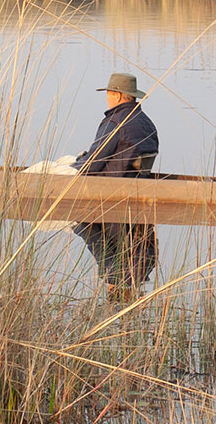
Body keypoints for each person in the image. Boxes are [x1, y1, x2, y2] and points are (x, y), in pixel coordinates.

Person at [70, 72, 160, 302]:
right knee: (119, 251)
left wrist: (75, 164)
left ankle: (114, 280)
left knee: (77, 221)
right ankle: (119, 286)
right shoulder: (146, 122)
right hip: (138, 198)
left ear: (118, 95)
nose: (107, 99)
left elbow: (92, 165)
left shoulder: (115, 122)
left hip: (112, 198)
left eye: (109, 94)